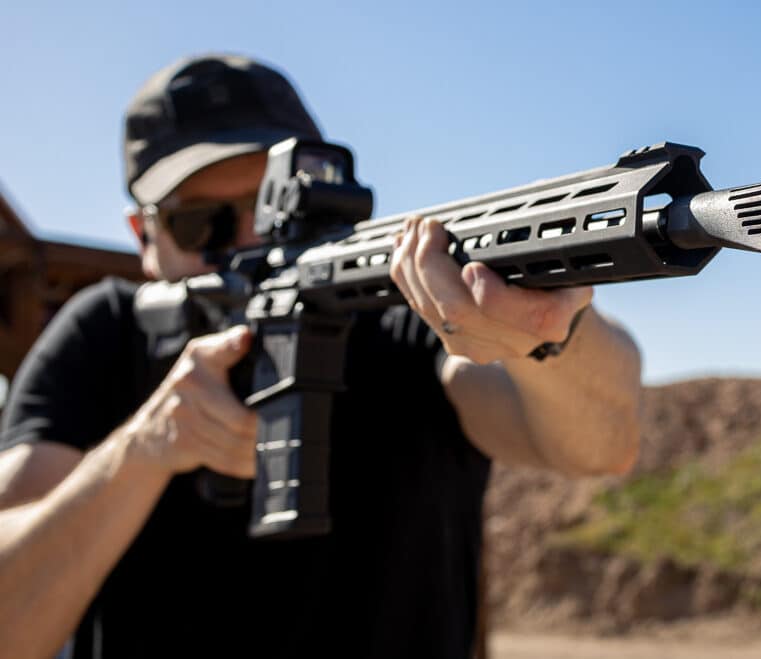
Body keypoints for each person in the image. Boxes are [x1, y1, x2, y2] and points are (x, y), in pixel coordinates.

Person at [0, 54, 641, 659]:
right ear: (144, 235)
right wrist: (141, 453)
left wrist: (551, 335)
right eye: (204, 223)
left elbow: (600, 446)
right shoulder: (106, 334)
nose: (252, 239)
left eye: (274, 204)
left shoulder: (405, 322)